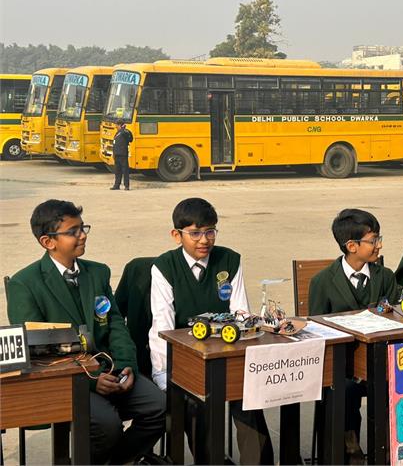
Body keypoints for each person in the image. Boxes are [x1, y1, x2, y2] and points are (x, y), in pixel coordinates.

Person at [6, 200, 166, 464]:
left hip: (110, 369)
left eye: (83, 228)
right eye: (73, 231)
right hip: (67, 380)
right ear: (48, 242)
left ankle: (114, 462)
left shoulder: (97, 273)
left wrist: (126, 366)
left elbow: (115, 323)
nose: (83, 235)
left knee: (158, 406)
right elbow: (38, 351)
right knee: (107, 425)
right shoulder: (25, 284)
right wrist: (91, 380)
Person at [148, 197, 274, 464]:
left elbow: (241, 313)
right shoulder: (164, 267)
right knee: (196, 405)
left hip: (225, 354)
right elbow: (162, 325)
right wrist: (163, 374)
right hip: (186, 359)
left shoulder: (229, 260)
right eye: (195, 233)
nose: (204, 240)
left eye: (210, 231)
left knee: (248, 397)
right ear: (177, 235)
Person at [309, 208, 399, 463]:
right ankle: (350, 448)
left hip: (379, 363)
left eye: (379, 238)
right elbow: (316, 332)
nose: (379, 245)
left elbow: (397, 317)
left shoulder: (385, 277)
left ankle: (390, 450)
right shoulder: (322, 281)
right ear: (351, 246)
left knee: (399, 383)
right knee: (345, 391)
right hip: (343, 367)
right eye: (373, 240)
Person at [111, 121, 133, 191]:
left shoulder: (125, 132)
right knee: (117, 171)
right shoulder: (118, 133)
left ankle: (126, 186)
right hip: (117, 154)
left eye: (116, 125)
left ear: (120, 125)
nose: (115, 126)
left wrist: (124, 128)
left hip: (123, 154)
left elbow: (130, 139)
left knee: (125, 170)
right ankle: (117, 185)